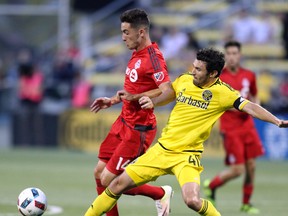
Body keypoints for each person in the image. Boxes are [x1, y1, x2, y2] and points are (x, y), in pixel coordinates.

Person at [84, 47, 287, 216]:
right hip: (162, 150)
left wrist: (276, 121)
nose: (193, 71)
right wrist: (150, 101)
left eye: (199, 69)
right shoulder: (184, 80)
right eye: (194, 66)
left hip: (187, 156)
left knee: (192, 201)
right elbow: (168, 94)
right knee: (116, 183)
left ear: (213, 74)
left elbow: (250, 106)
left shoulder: (223, 93)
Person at [89, 8, 173, 216]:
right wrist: (113, 100)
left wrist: (149, 101)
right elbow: (134, 89)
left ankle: (160, 193)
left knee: (109, 180)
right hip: (123, 122)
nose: (123, 37)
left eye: (126, 32)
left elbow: (168, 91)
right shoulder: (136, 53)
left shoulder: (154, 57)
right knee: (99, 173)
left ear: (141, 32)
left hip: (138, 130)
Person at [203, 41, 265, 214]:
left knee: (251, 166)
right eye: (228, 53)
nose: (231, 57)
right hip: (230, 129)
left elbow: (255, 95)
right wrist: (238, 105)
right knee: (238, 170)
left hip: (248, 127)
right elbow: (216, 102)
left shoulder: (249, 75)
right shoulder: (219, 78)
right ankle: (212, 185)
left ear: (240, 55)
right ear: (225, 56)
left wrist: (255, 107)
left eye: (234, 53)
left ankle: (246, 203)